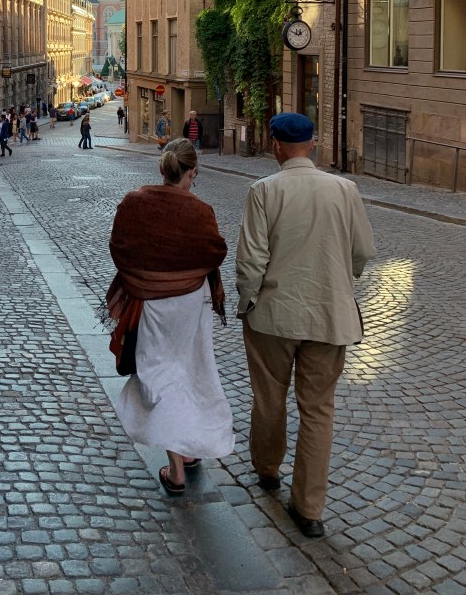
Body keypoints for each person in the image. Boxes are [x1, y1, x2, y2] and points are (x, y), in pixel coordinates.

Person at [235, 112, 375, 538]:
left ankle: (267, 469)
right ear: (312, 145)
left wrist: (248, 300)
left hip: (274, 316)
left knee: (269, 399)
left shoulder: (264, 191)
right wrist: (340, 279)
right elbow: (363, 251)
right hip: (329, 315)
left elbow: (250, 261)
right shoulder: (345, 190)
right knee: (318, 410)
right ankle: (309, 509)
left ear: (276, 145)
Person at [106, 139, 234, 496]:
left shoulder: (134, 202)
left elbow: (119, 247)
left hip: (151, 304)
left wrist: (143, 279)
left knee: (160, 375)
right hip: (191, 304)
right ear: (190, 172)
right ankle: (184, 457)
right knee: (190, 371)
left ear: (163, 169)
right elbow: (216, 251)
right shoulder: (200, 210)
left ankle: (178, 464)